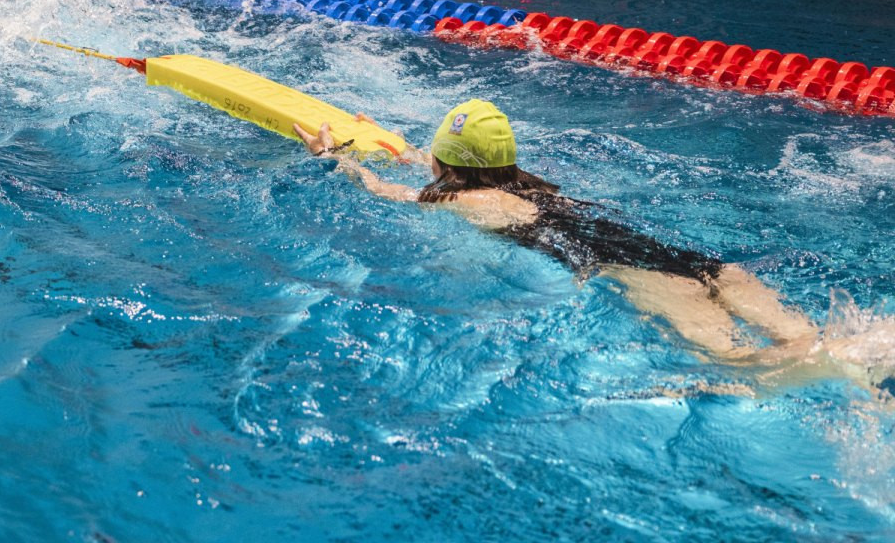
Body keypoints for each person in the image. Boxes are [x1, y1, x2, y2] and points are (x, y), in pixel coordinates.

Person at [291, 100, 889, 391]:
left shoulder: (462, 199)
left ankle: (854, 387)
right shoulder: (531, 185)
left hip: (648, 279)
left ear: (448, 166)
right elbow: (458, 165)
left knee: (756, 366)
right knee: (814, 339)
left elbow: (383, 192)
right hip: (707, 267)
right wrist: (394, 144)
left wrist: (337, 159)